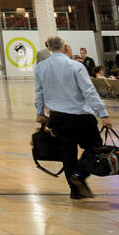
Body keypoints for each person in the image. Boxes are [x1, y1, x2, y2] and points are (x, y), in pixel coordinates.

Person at [35, 35, 110, 200]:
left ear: (49, 48)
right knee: (95, 146)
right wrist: (102, 114)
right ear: (65, 48)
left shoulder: (40, 67)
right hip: (80, 115)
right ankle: (79, 175)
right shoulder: (75, 66)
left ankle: (75, 191)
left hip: (57, 117)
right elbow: (89, 91)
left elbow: (39, 92)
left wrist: (40, 112)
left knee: (67, 153)